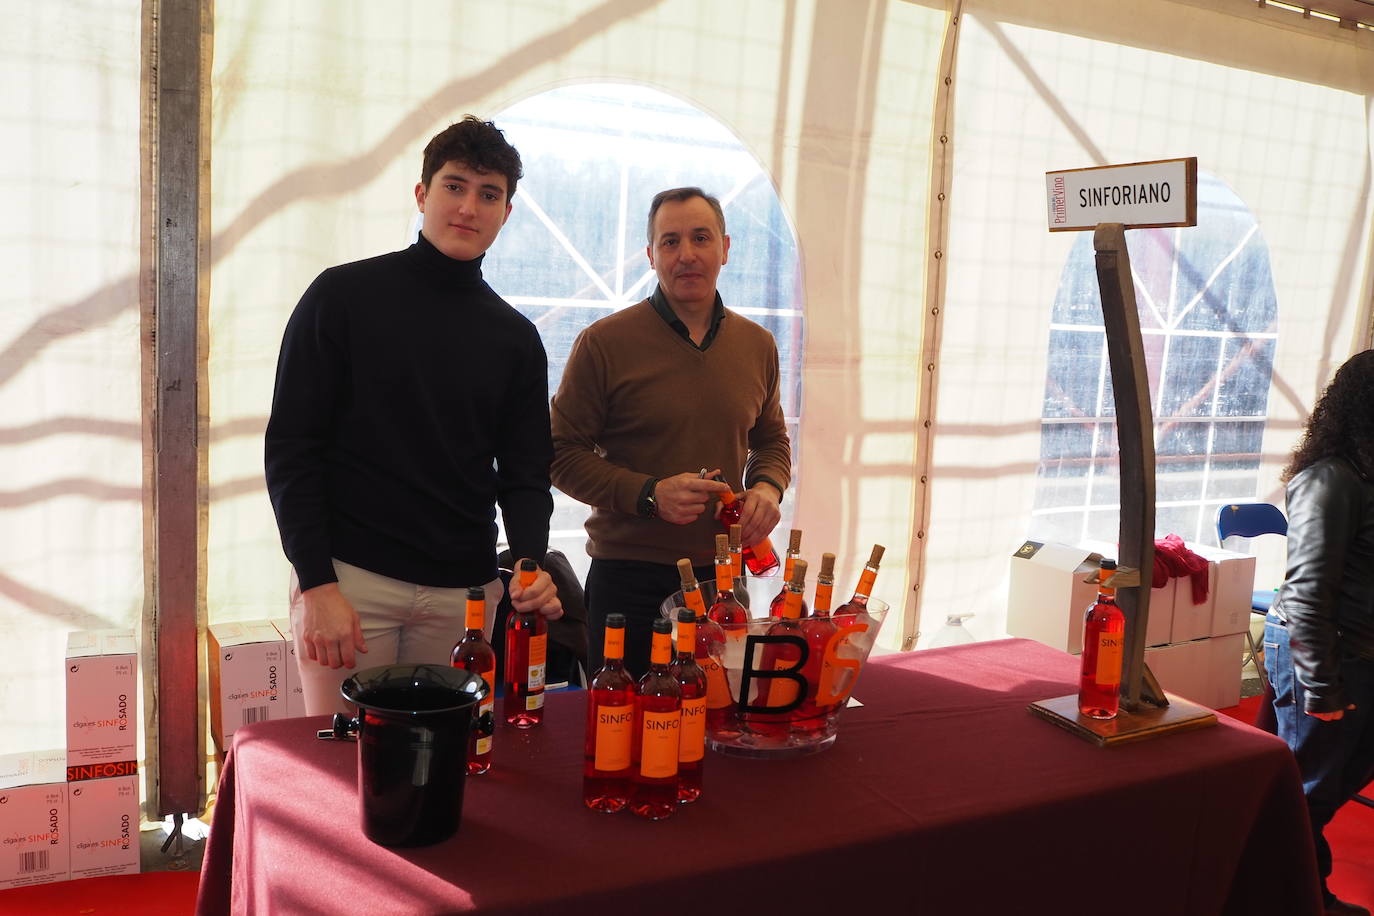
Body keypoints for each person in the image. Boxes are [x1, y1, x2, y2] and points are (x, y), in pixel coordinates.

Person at [265, 116, 561, 715]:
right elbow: (293, 447)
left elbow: (526, 472)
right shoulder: (341, 297)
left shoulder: (516, 339)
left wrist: (530, 562)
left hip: (464, 597)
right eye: (454, 186)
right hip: (352, 584)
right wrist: (317, 584)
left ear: (507, 212)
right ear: (422, 194)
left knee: (445, 772)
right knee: (344, 775)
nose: (468, 208)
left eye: (488, 194)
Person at [550, 187, 791, 675]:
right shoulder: (604, 343)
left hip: (723, 578)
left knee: (717, 726)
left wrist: (768, 487)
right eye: (670, 241)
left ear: (725, 247)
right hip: (630, 580)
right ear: (650, 255)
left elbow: (771, 441)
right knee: (629, 733)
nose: (687, 255)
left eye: (700, 238)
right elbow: (558, 453)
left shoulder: (757, 344)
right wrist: (648, 494)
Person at [1267, 349, 1374, 916]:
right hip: (1328, 656)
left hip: (1359, 657)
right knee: (1307, 793)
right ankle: (1305, 900)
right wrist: (1322, 687)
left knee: (1329, 787)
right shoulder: (1330, 480)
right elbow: (1307, 593)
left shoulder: (1363, 475)